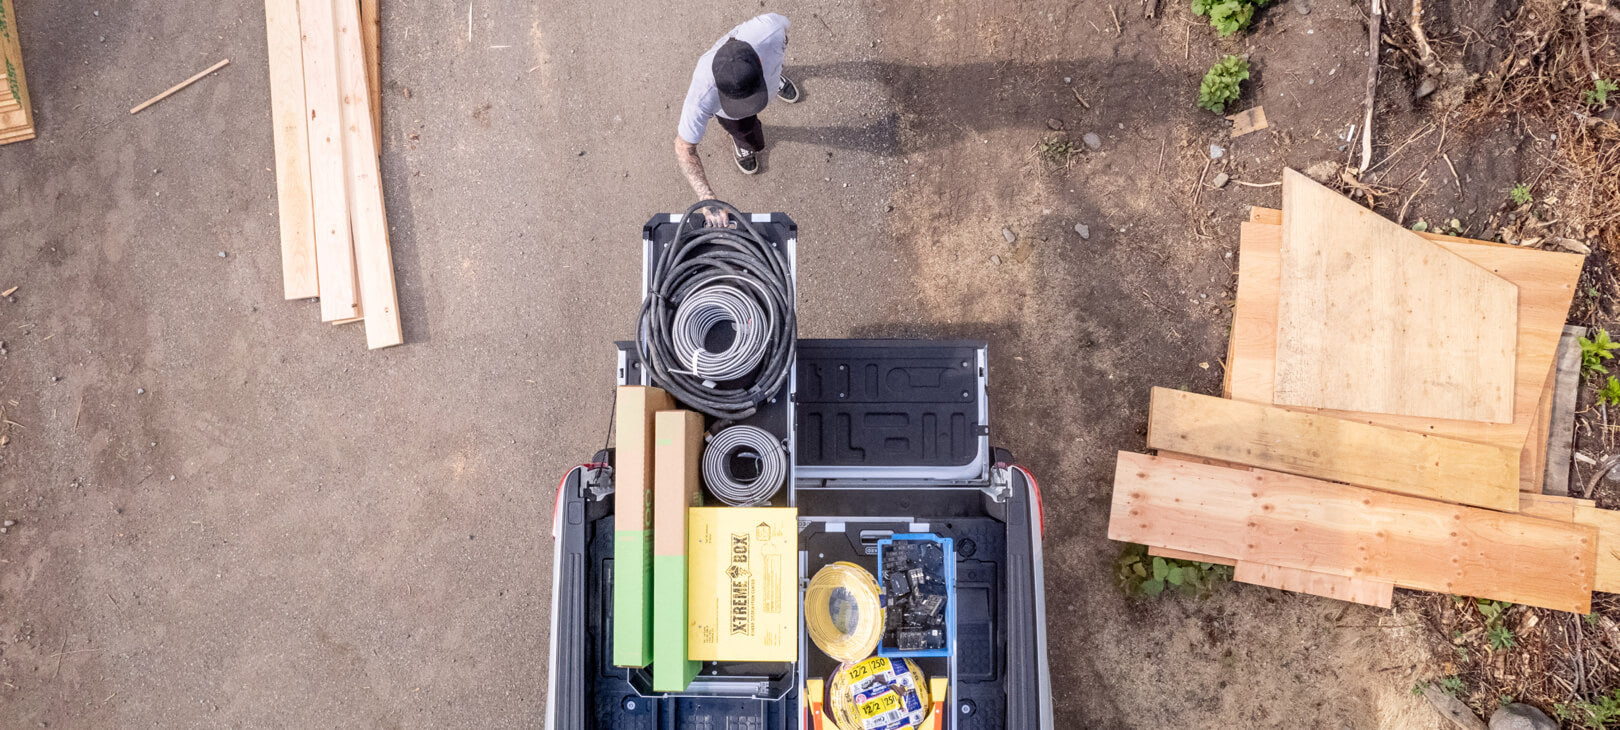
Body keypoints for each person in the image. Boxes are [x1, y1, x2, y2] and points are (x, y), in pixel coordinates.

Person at [673, 13, 801, 227]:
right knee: (746, 131)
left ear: (758, 60)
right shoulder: (702, 92)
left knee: (775, 65)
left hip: (767, 68)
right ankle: (743, 143)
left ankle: (774, 77)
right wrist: (707, 198)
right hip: (737, 114)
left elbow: (784, 35)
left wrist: (775, 64)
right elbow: (683, 147)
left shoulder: (769, 30)